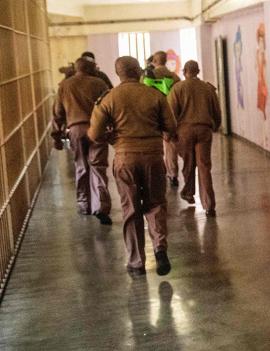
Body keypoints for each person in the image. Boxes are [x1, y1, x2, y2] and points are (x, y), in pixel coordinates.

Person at [88, 56, 177, 276]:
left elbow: (94, 134)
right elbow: (171, 127)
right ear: (138, 71)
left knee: (131, 208)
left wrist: (113, 138)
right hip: (154, 157)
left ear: (118, 74)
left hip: (125, 157)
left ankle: (137, 262)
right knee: (156, 204)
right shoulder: (155, 95)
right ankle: (160, 248)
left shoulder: (109, 99)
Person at [52, 57, 112, 224]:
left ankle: (84, 204)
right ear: (91, 68)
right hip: (97, 128)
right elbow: (108, 108)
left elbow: (58, 112)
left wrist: (56, 135)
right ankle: (100, 206)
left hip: (76, 129)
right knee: (98, 167)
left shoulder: (65, 85)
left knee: (81, 167)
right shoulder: (99, 83)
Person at [167, 60, 222, 217]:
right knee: (204, 166)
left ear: (185, 71)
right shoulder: (208, 88)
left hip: (184, 131)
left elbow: (171, 114)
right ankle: (209, 204)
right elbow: (216, 111)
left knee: (188, 164)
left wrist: (169, 134)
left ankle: (188, 192)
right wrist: (216, 125)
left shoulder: (177, 89)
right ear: (198, 71)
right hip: (204, 130)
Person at [151, 50, 183, 188]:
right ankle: (173, 174)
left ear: (154, 61)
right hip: (170, 115)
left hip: (152, 117)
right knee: (170, 147)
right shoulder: (174, 77)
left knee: (154, 148)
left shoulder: (148, 77)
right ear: (165, 61)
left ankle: (157, 175)